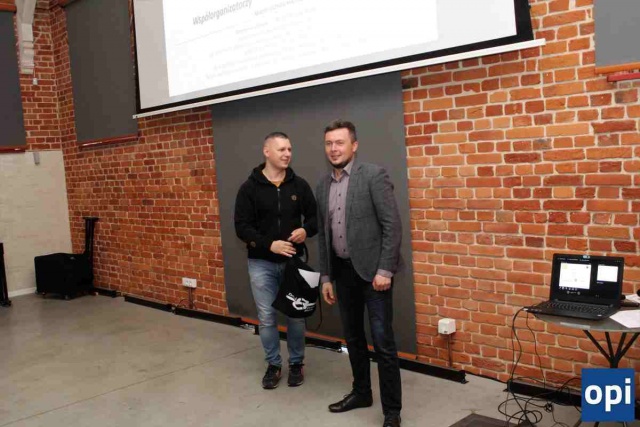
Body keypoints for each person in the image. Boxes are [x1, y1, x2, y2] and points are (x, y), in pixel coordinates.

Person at [316, 120, 403, 427]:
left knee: (383, 343)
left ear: (354, 145)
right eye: (329, 143)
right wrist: (326, 277)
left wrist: (385, 270)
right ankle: (362, 392)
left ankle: (392, 411)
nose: (334, 149)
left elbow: (392, 226)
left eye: (339, 142)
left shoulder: (373, 175)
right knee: (353, 338)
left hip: (374, 275)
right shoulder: (323, 186)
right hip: (343, 274)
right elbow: (324, 236)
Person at [235, 131, 318, 389]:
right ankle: (273, 364)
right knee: (267, 316)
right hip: (261, 263)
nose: (287, 154)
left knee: (296, 315)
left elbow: (315, 219)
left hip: (293, 263)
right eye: (281, 149)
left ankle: (296, 363)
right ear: (267, 152)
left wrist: (306, 230)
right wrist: (269, 244)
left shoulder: (299, 185)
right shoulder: (249, 188)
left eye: (289, 149)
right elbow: (242, 227)